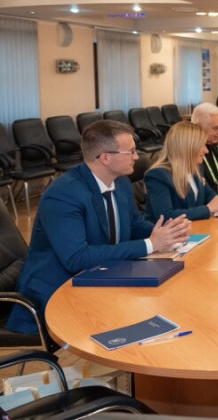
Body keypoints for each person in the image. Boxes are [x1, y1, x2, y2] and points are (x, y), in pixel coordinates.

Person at [7, 120, 191, 334]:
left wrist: (168, 233)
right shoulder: (63, 195)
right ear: (105, 158)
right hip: (57, 293)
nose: (137, 157)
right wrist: (150, 244)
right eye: (131, 151)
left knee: (167, 304)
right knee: (141, 320)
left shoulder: (121, 183)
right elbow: (77, 258)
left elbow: (135, 224)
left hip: (103, 277)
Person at [145, 122, 218, 221]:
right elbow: (166, 216)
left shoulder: (197, 168)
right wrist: (208, 209)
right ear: (188, 147)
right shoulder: (158, 175)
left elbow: (209, 195)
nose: (206, 151)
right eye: (202, 145)